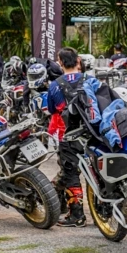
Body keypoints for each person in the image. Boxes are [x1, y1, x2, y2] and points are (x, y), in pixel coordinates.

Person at [48, 47, 100, 228]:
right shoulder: (91, 80)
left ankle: (77, 215)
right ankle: (102, 210)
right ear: (78, 61)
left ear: (60, 63)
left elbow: (53, 110)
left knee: (70, 173)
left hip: (68, 135)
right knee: (97, 171)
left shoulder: (55, 85)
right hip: (92, 133)